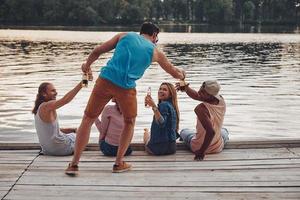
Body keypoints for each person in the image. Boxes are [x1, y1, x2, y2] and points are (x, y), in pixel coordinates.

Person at [65, 22, 185, 175]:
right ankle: (118, 163)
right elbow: (174, 72)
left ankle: (74, 164)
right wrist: (182, 75)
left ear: (141, 32)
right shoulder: (156, 52)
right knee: (129, 122)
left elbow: (97, 51)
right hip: (126, 88)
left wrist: (87, 65)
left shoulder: (124, 36)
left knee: (88, 118)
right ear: (154, 36)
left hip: (105, 80)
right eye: (157, 38)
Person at [177, 80, 229, 161]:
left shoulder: (201, 109)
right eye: (200, 89)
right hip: (217, 147)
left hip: (199, 147)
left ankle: (193, 138)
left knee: (184, 131)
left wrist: (201, 152)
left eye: (202, 92)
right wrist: (186, 88)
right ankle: (202, 138)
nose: (199, 92)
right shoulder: (221, 100)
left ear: (211, 96)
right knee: (224, 131)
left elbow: (211, 132)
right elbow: (197, 96)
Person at [32, 81, 83, 156]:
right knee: (83, 134)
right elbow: (65, 100)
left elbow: (52, 131)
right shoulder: (46, 106)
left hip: (48, 150)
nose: (56, 93)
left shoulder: (39, 108)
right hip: (61, 149)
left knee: (73, 134)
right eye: (52, 91)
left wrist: (72, 130)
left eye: (55, 90)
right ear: (44, 94)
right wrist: (82, 83)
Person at [143, 82, 179, 155]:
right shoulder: (172, 106)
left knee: (146, 135)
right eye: (160, 89)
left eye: (165, 90)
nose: (161, 91)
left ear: (170, 94)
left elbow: (161, 123)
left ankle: (146, 131)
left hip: (157, 149)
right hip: (172, 148)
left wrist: (153, 106)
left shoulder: (163, 105)